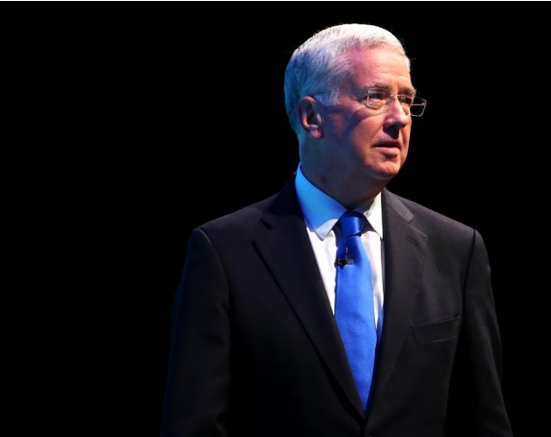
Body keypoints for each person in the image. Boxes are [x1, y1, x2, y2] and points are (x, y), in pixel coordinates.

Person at [161, 24, 512, 436]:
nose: (400, 118)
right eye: (376, 96)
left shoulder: (456, 249)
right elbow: (194, 425)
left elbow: (483, 420)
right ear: (312, 117)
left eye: (407, 100)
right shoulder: (223, 252)